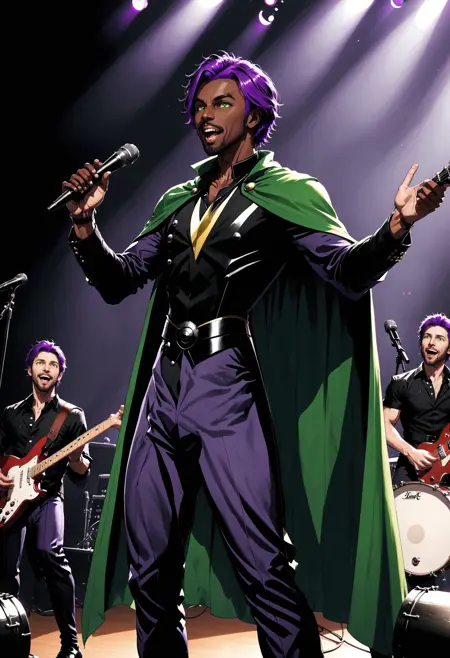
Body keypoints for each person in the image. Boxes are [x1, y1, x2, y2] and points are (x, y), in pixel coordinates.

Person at [62, 53, 447, 658]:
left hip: (227, 386)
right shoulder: (180, 200)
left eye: (222, 102)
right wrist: (86, 228)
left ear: (254, 114)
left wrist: (397, 226)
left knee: (261, 559)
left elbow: (347, 272)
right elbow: (120, 280)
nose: (205, 114)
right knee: (149, 564)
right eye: (199, 104)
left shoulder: (286, 193)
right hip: (165, 388)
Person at [0, 340, 91, 658]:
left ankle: (70, 645)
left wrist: (77, 457)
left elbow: (81, 470)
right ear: (29, 369)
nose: (46, 368)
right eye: (40, 362)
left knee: (51, 554)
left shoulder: (72, 416)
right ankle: (10, 643)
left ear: (60, 375)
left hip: (48, 496)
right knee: (6, 568)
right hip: (11, 498)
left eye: (53, 365)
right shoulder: (10, 414)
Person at [383, 313, 450, 592]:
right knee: (400, 531)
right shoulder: (402, 382)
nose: (432, 342)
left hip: (447, 469)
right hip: (410, 467)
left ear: (448, 347)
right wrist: (410, 452)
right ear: (421, 343)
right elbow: (385, 425)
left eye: (440, 338)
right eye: (427, 337)